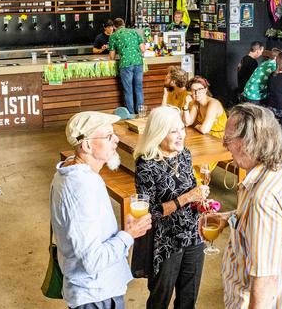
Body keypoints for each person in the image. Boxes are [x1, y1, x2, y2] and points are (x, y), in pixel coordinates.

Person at [50, 111, 152, 309]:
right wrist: (128, 235)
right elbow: (93, 260)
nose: (116, 140)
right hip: (95, 296)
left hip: (98, 290)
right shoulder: (81, 188)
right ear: (87, 145)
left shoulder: (69, 172)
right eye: (108, 136)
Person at [208, 103, 282, 309]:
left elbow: (265, 278)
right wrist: (230, 217)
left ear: (246, 143)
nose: (225, 146)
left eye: (227, 140)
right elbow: (276, 226)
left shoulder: (264, 199)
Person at [133, 106, 209, 309]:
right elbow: (150, 213)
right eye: (173, 131)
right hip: (166, 243)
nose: (181, 136)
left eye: (182, 129)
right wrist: (187, 197)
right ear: (158, 132)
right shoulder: (146, 165)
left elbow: (191, 188)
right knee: (160, 299)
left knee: (188, 298)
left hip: (193, 235)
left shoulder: (184, 154)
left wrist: (201, 202)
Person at [109, 18, 146, 114]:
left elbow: (112, 56)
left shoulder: (113, 36)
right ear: (124, 24)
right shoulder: (134, 32)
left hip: (125, 64)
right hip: (138, 62)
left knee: (128, 90)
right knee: (139, 89)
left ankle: (131, 114)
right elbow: (143, 49)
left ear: (114, 27)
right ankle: (141, 113)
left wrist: (120, 52)